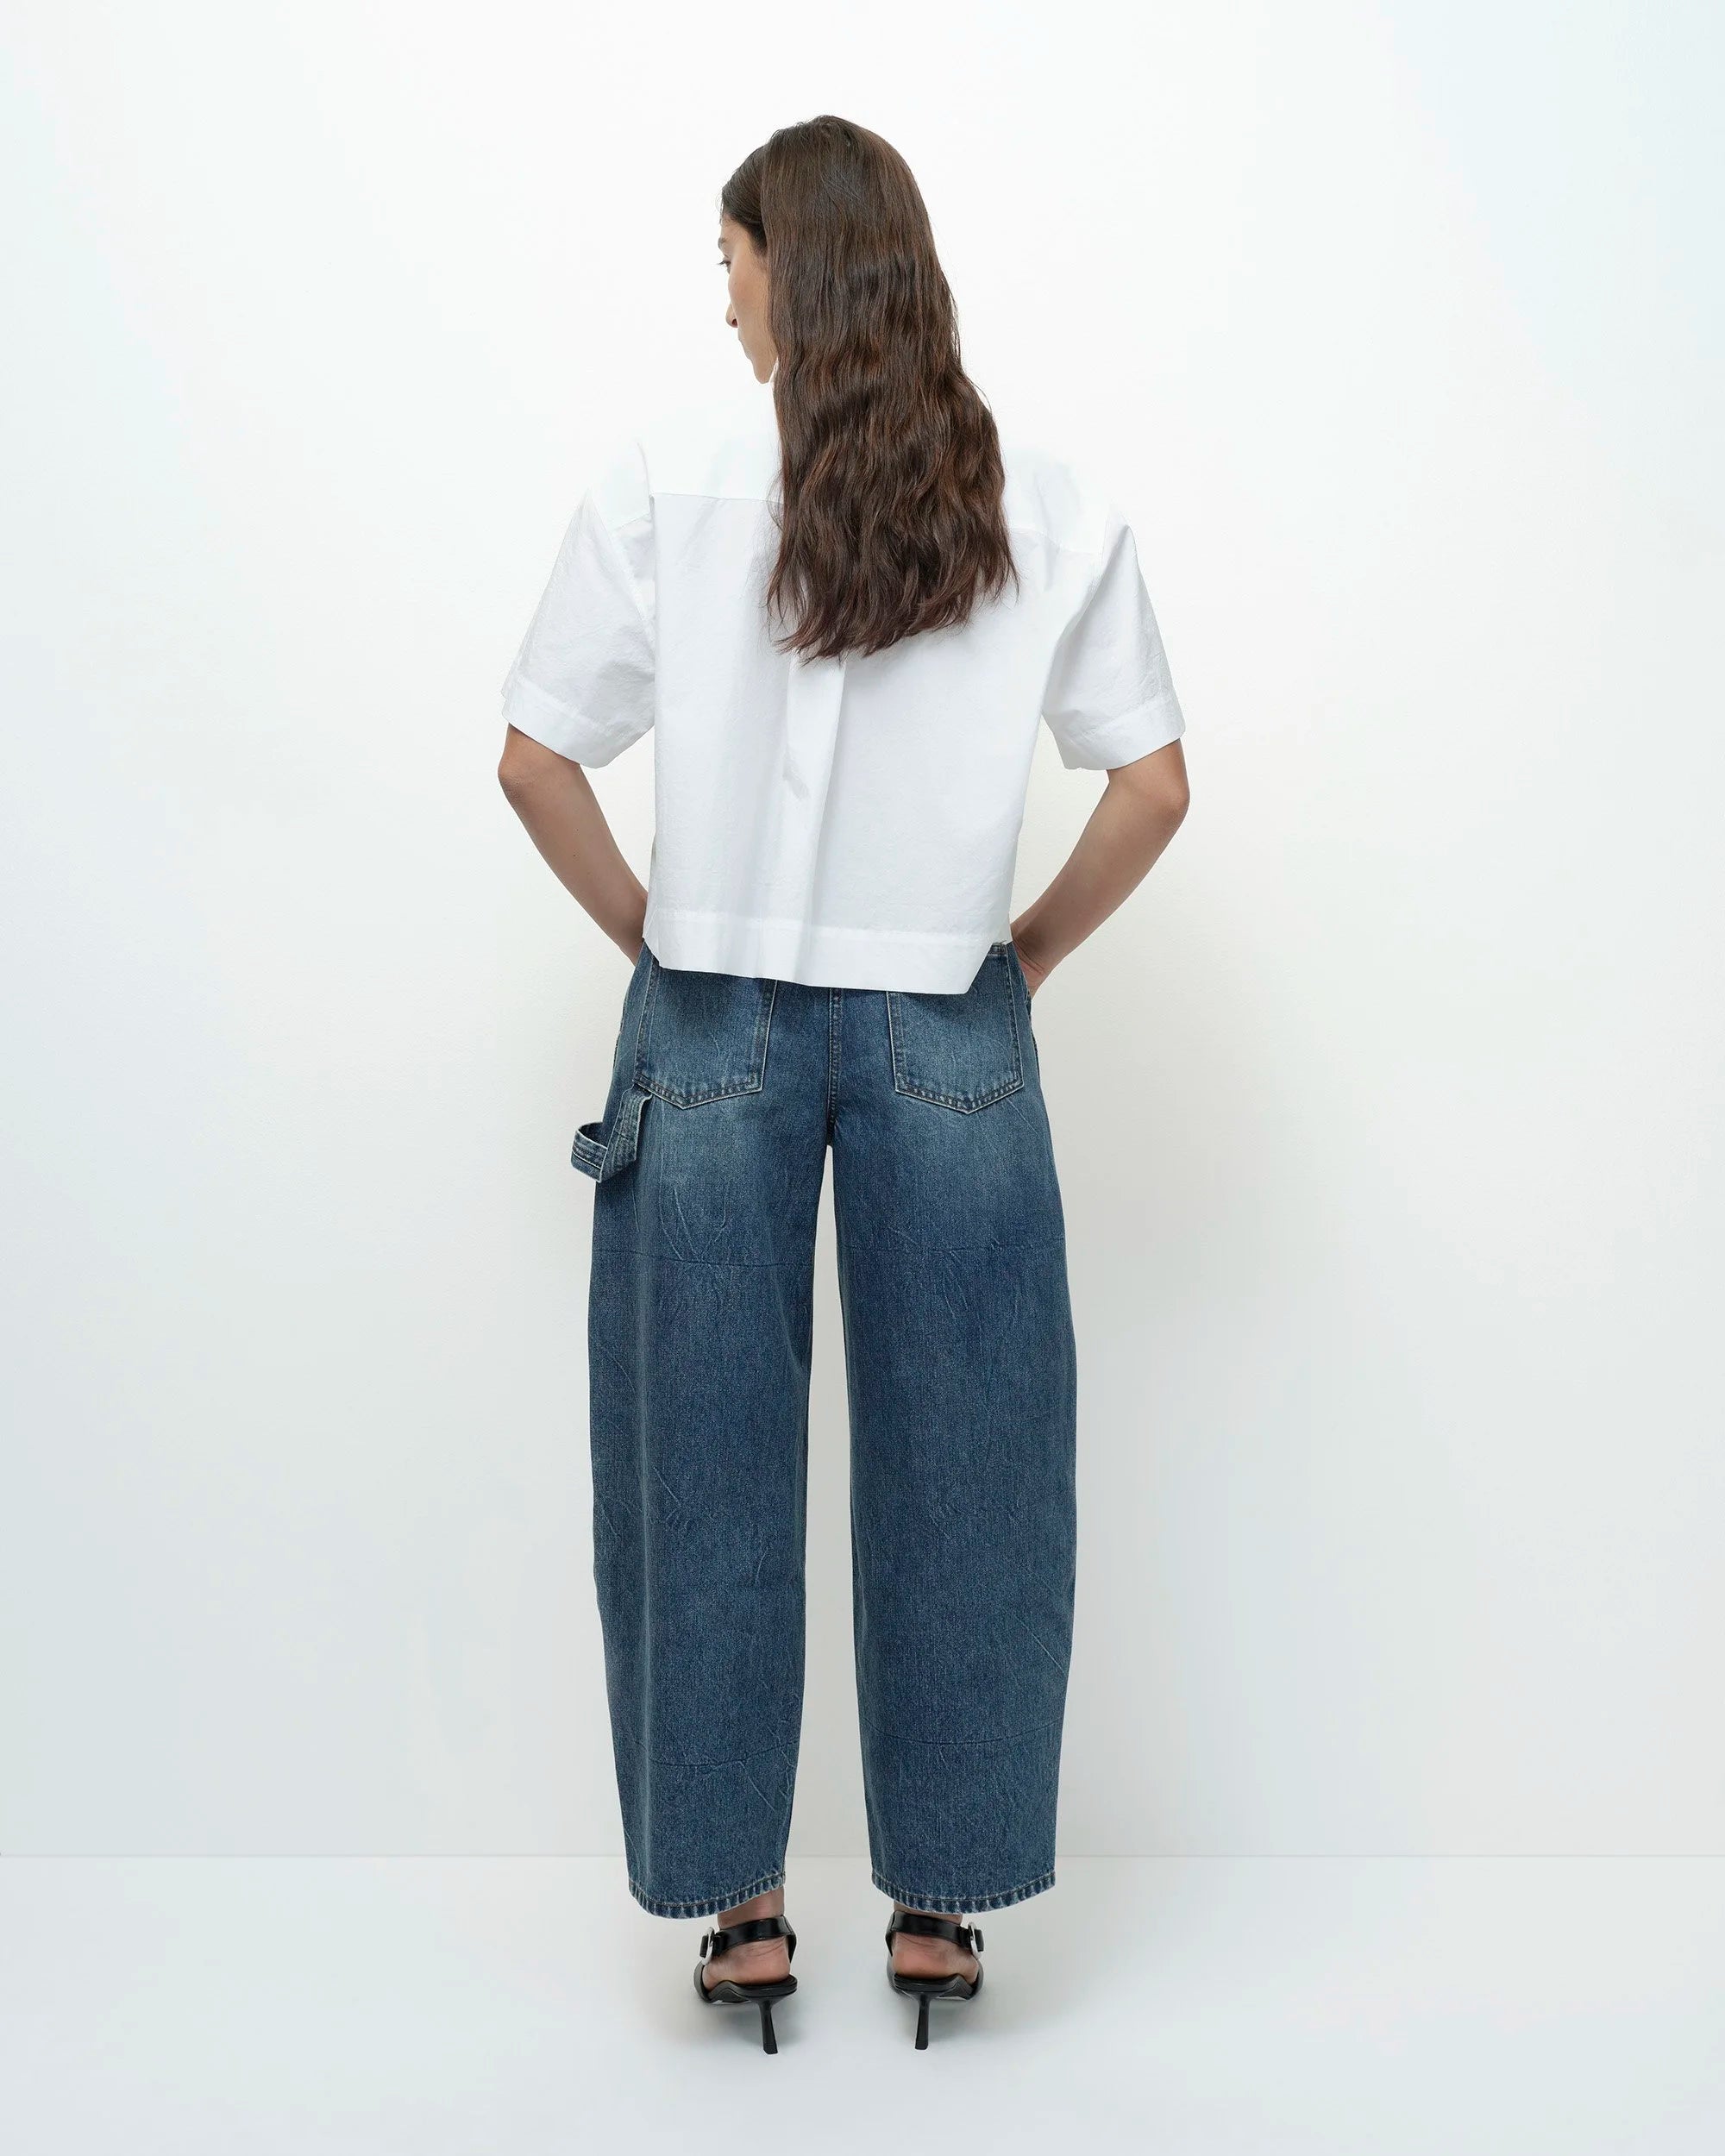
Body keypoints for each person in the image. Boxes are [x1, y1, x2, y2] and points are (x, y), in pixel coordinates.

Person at [496, 116, 1190, 2052]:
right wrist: (1020, 953)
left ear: (784, 264)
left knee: (697, 1466)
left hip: (709, 1015)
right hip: (941, 1024)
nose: (716, 292)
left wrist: (659, 925)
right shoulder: (1036, 497)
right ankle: (942, 1904)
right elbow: (1154, 782)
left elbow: (533, 758)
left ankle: (737, 1904)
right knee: (970, 1454)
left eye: (723, 257)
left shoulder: (668, 482)